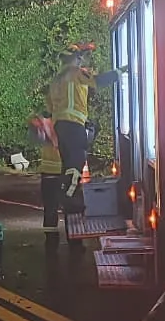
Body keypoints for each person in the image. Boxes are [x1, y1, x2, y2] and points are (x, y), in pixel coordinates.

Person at [47, 44, 121, 214]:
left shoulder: (57, 79)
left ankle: (72, 199)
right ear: (72, 59)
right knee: (76, 162)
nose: (81, 59)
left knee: (68, 164)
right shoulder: (75, 73)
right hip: (73, 124)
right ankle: (67, 196)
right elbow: (97, 81)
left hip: (61, 126)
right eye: (78, 56)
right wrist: (119, 72)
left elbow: (52, 106)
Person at [30, 114, 63, 249]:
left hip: (50, 172)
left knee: (50, 209)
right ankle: (74, 241)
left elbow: (39, 139)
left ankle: (51, 242)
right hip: (64, 170)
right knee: (71, 207)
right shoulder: (66, 122)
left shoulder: (46, 124)